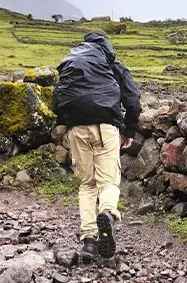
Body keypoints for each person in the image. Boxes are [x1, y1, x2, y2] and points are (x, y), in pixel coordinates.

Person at [52, 29, 142, 259]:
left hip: (77, 129)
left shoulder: (71, 61)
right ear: (106, 43)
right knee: (109, 179)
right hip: (106, 126)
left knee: (87, 184)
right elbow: (132, 100)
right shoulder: (111, 63)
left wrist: (68, 123)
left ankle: (89, 242)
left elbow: (57, 101)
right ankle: (109, 213)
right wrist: (129, 130)